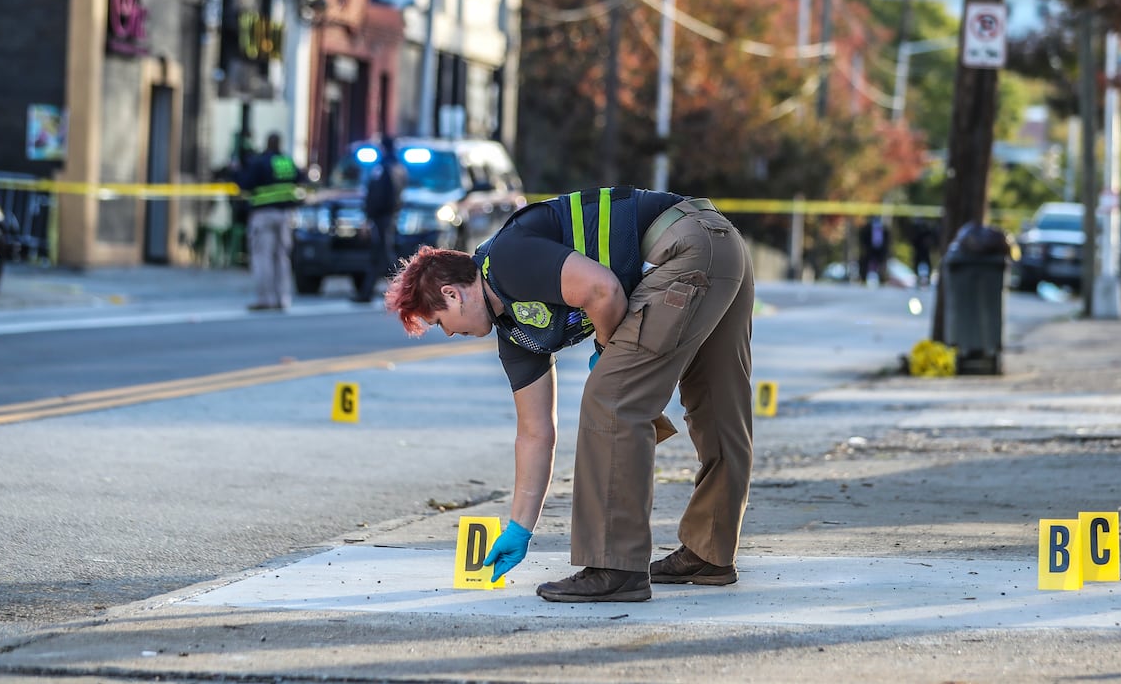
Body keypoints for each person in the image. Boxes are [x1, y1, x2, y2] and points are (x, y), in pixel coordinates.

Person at [384, 188, 755, 603]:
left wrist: (606, 351)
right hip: (720, 244)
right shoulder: (516, 334)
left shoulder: (504, 260)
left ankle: (615, 566)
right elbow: (535, 433)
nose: (449, 333)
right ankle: (711, 552)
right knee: (718, 405)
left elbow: (603, 291)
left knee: (609, 399)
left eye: (439, 323)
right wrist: (520, 528)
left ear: (452, 294)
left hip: (682, 248)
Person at [237, 132, 303, 311]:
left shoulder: (260, 162)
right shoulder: (287, 162)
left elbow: (244, 183)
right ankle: (283, 298)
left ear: (267, 143)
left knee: (262, 257)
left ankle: (265, 299)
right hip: (285, 215)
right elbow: (300, 178)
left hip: (263, 215)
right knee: (282, 258)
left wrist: (237, 170)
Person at [359, 136, 407, 303]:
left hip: (381, 218)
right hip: (390, 217)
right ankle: (366, 293)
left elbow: (377, 195)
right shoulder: (399, 167)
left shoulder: (383, 168)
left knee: (385, 256)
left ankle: (403, 291)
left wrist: (369, 216)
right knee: (380, 255)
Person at [863, 216, 891, 286]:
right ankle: (871, 278)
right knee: (871, 264)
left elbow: (887, 241)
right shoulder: (868, 229)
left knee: (881, 264)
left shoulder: (885, 230)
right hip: (871, 250)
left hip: (881, 250)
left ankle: (882, 279)